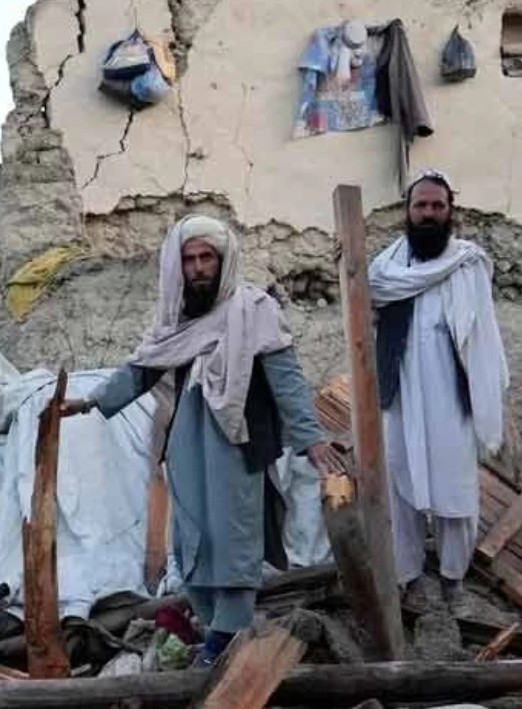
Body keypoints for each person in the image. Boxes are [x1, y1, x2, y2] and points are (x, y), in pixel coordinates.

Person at [61, 214, 344, 666]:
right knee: (193, 535)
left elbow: (286, 379)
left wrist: (311, 439)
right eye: (189, 259)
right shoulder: (174, 321)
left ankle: (224, 637)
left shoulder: (254, 310)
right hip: (189, 435)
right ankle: (218, 628)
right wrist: (90, 402)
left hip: (236, 437)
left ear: (224, 260)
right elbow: (143, 368)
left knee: (233, 535)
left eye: (206, 257)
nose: (197, 268)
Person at [367, 170, 508, 609]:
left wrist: (487, 388)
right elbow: (362, 294)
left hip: (451, 395)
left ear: (451, 212)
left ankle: (452, 578)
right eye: (420, 206)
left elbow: (483, 333)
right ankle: (408, 576)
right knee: (398, 482)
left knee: (456, 486)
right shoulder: (384, 269)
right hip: (400, 393)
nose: (428, 213)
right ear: (407, 212)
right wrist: (342, 260)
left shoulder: (468, 264)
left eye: (437, 206)